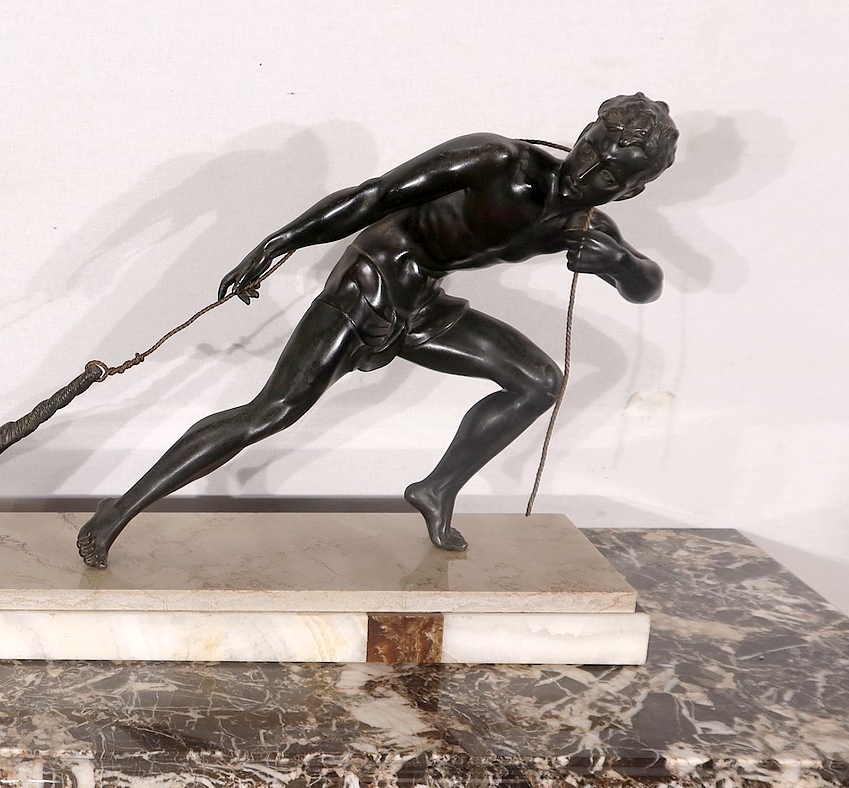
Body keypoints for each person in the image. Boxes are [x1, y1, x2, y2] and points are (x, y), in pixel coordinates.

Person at [77, 94, 679, 568]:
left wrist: (625, 266)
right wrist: (280, 243)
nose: (587, 173)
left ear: (632, 191)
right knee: (273, 411)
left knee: (539, 381)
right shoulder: (499, 161)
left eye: (609, 177)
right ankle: (117, 511)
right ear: (583, 133)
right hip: (371, 280)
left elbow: (645, 287)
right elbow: (375, 195)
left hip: (425, 301)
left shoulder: (585, 230)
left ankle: (436, 489)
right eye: (591, 150)